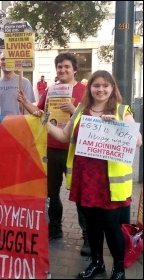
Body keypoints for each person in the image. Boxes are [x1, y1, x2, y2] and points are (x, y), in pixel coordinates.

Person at [46, 70, 142, 279]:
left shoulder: (121, 110)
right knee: (92, 226)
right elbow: (63, 136)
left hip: (109, 183)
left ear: (112, 88)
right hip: (85, 179)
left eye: (105, 85)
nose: (100, 89)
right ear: (90, 88)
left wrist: (117, 125)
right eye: (96, 85)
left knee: (111, 226)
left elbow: (138, 140)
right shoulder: (81, 109)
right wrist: (43, 122)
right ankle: (97, 263)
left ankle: (118, 268)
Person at [17, 52, 90, 256]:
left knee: (80, 194)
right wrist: (25, 103)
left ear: (74, 69)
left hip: (75, 151)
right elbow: (38, 113)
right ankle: (55, 229)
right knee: (52, 192)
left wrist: (74, 109)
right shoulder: (51, 90)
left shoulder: (85, 91)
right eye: (59, 67)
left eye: (66, 67)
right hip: (51, 148)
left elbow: (93, 119)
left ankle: (87, 237)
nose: (62, 70)